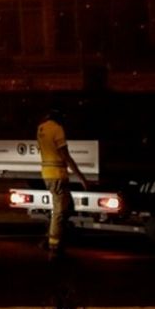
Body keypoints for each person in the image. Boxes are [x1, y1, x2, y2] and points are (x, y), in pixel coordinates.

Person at [37, 107, 90, 258]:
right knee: (59, 212)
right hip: (58, 175)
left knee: (66, 207)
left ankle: (49, 238)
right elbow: (65, 155)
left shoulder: (41, 128)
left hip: (47, 174)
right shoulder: (57, 129)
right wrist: (82, 178)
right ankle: (54, 246)